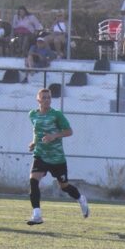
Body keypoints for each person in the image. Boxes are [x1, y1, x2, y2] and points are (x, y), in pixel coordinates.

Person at [26, 87, 88, 226]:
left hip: (57, 158)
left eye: (49, 97)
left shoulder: (57, 115)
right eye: (44, 97)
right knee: (33, 181)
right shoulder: (32, 114)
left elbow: (69, 131)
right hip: (40, 155)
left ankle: (80, 199)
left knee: (64, 186)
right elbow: (37, 131)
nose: (47, 100)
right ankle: (37, 214)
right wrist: (34, 143)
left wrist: (54, 136)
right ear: (38, 100)